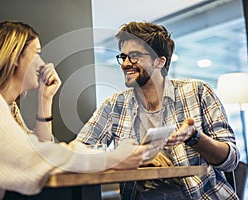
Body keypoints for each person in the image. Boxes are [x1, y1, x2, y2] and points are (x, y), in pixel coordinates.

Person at [0, 21, 154, 200]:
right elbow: (30, 161)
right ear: (14, 57)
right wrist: (112, 158)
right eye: (37, 53)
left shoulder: (8, 108)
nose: (43, 64)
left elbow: (41, 151)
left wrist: (45, 100)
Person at [76, 21, 240, 199]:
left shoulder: (197, 91)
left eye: (134, 55)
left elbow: (230, 161)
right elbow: (79, 152)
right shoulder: (114, 104)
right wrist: (130, 158)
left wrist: (195, 137)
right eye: (123, 57)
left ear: (159, 61)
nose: (125, 64)